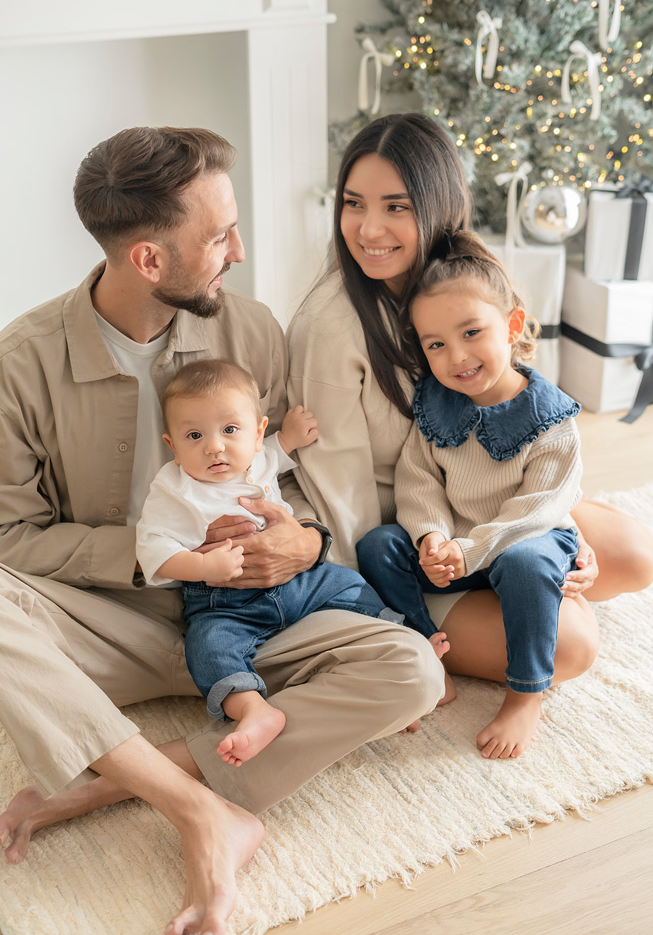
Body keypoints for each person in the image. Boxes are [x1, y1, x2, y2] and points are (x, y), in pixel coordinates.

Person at [0, 126, 445, 935]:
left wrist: (302, 543)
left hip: (258, 615)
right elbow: (10, 537)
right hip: (114, 620)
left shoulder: (250, 329)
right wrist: (163, 563)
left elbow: (296, 477)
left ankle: (108, 776)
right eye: (218, 236)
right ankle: (200, 812)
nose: (239, 249)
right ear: (148, 259)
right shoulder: (21, 362)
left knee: (412, 670)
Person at [287, 111, 653, 722]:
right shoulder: (331, 326)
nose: (369, 228)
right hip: (415, 528)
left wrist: (560, 534)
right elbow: (341, 498)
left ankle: (529, 583)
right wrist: (401, 587)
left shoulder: (463, 273)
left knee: (635, 554)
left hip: (492, 492)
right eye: (354, 203)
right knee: (574, 644)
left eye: (396, 207)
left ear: (436, 205)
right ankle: (486, 619)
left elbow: (524, 405)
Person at [357, 231, 585, 759]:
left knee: (528, 562)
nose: (455, 356)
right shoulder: (437, 404)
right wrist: (432, 537)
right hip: (458, 548)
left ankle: (527, 693)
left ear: (511, 326)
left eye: (471, 333)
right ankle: (426, 656)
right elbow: (419, 479)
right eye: (436, 344)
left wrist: (470, 548)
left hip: (523, 542)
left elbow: (540, 509)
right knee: (377, 545)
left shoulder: (551, 419)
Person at [136, 357, 416, 767]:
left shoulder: (258, 459)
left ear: (256, 432)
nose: (215, 446)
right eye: (194, 435)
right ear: (172, 446)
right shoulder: (173, 489)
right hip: (225, 602)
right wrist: (201, 568)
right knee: (208, 646)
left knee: (347, 582)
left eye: (230, 430)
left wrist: (291, 436)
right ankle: (252, 709)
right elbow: (153, 547)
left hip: (296, 582)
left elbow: (276, 452)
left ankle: (400, 636)